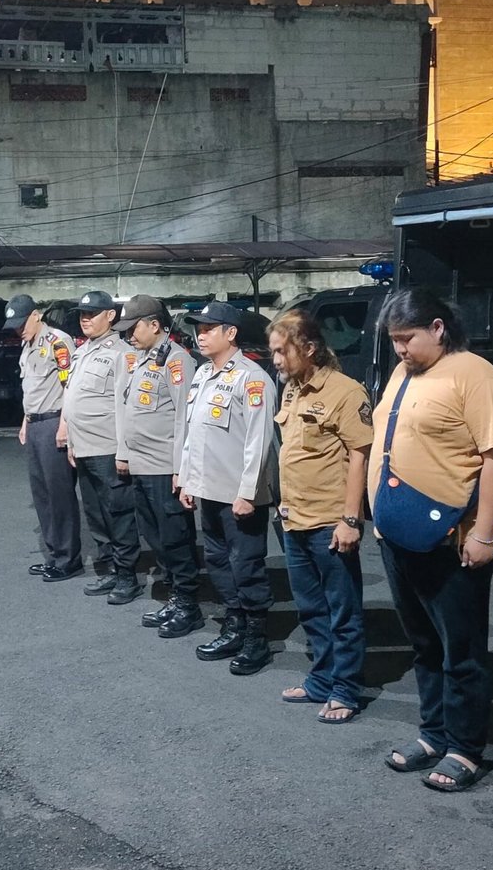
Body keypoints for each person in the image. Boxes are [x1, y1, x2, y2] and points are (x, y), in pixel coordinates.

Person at [372, 288, 493, 792]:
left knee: (462, 650)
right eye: (393, 340)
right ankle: (433, 734)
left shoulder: (475, 374)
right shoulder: (403, 373)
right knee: (424, 644)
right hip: (398, 534)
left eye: (407, 338)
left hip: (451, 539)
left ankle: (465, 749)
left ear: (437, 328)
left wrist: (484, 533)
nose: (400, 349)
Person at [269, 309, 373, 722]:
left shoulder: (346, 392)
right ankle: (320, 681)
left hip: (330, 523)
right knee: (311, 609)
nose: (276, 359)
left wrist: (351, 519)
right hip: (294, 518)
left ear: (310, 348)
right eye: (273, 351)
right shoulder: (291, 389)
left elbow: (360, 456)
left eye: (282, 351)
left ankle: (345, 690)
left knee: (342, 612)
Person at [178, 301, 280, 674]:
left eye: (209, 328)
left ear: (231, 333)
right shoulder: (203, 374)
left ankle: (257, 638)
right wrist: (187, 479)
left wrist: (248, 493)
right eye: (198, 329)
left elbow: (259, 441)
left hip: (239, 495)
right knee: (219, 561)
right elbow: (193, 434)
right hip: (209, 488)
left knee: (246, 564)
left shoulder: (252, 379)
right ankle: (234, 626)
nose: (200, 335)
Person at [115, 294, 203, 637]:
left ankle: (188, 605)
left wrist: (181, 469)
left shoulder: (177, 361)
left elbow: (184, 418)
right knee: (156, 538)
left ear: (154, 325)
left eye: (132, 328)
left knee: (175, 539)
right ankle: (174, 596)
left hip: (165, 469)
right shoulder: (142, 359)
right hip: (142, 465)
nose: (128, 335)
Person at [56, 291, 142, 603]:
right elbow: (72, 398)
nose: (85, 319)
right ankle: (110, 569)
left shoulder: (122, 354)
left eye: (92, 313)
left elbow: (126, 406)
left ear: (111, 315)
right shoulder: (81, 352)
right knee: (95, 513)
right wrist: (71, 441)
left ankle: (127, 576)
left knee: (118, 512)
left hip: (108, 448)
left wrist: (124, 451)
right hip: (83, 446)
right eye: (82, 314)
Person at [7, 294, 84, 582]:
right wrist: (25, 422)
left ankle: (68, 559)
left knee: (59, 494)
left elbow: (69, 387)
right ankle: (54, 555)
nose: (19, 329)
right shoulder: (27, 346)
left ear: (36, 315)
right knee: (42, 494)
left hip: (54, 423)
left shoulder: (57, 342)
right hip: (35, 424)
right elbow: (31, 389)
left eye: (22, 323)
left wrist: (64, 426)